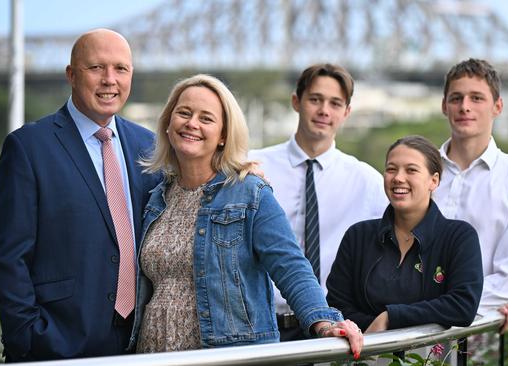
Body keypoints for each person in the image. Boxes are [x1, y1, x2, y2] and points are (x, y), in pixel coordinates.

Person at [128, 74, 363, 359]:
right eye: (184, 113)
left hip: (224, 357)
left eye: (206, 118)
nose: (192, 124)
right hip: (153, 356)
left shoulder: (249, 192)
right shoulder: (157, 197)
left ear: (223, 135)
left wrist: (325, 323)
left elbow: (290, 265)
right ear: (168, 123)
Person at [0, 29, 160, 361]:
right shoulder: (28, 147)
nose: (110, 80)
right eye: (96, 68)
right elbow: (8, 257)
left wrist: (241, 171)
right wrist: (28, 337)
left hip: (138, 346)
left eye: (121, 69)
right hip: (56, 346)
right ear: (71, 74)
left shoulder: (148, 146)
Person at [248, 63, 389, 340]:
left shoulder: (367, 182)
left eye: (335, 103)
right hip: (262, 325)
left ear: (347, 112)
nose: (324, 110)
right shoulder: (253, 166)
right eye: (315, 100)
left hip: (333, 330)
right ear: (296, 102)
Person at [326, 135, 483, 332]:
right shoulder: (358, 235)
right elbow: (336, 306)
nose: (398, 178)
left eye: (411, 170)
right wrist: (374, 334)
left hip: (430, 359)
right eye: (391, 169)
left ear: (433, 181)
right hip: (363, 353)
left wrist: (391, 317)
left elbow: (463, 305)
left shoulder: (459, 237)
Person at [434, 58, 508, 333]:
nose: (465, 106)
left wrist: (426, 305)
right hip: (410, 336)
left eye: (476, 98)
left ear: (497, 107)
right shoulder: (419, 171)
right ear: (444, 106)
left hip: (478, 335)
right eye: (456, 98)